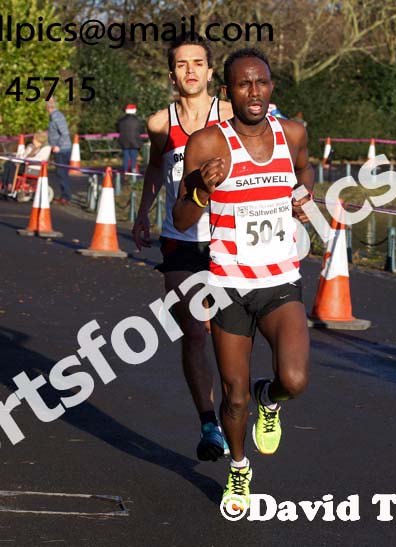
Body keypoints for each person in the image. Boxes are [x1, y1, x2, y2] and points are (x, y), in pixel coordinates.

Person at [172, 48, 314, 507]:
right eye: (243, 84)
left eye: (262, 82)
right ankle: (239, 469)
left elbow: (304, 175)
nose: (254, 92)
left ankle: (268, 398)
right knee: (234, 398)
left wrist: (303, 200)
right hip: (228, 286)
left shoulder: (293, 134)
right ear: (227, 92)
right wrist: (201, 188)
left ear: (272, 87)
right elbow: (181, 215)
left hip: (280, 281)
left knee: (294, 379)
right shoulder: (207, 144)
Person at [132, 36, 234, 462]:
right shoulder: (161, 123)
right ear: (172, 75)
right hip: (181, 238)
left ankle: (240, 407)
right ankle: (209, 424)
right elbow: (157, 165)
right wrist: (143, 212)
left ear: (210, 71)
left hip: (229, 240)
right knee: (192, 331)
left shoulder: (230, 115)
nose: (190, 70)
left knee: (229, 335)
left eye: (197, 63)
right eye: (181, 64)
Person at [0, 131, 51, 196]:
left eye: (34, 139)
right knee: (8, 163)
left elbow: (39, 159)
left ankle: (10, 186)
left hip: (34, 167)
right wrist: (18, 157)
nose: (32, 140)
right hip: (24, 164)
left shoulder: (46, 148)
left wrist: (26, 160)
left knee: (13, 166)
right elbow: (23, 156)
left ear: (39, 139)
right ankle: (4, 185)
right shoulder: (31, 146)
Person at [45, 97, 72, 204]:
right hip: (60, 149)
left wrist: (58, 146)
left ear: (48, 107)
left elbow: (64, 133)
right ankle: (64, 195)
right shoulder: (54, 116)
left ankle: (66, 197)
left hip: (62, 150)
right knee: (62, 173)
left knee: (62, 173)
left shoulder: (57, 117)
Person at [117, 104, 144, 173]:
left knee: (125, 157)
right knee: (133, 158)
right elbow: (141, 130)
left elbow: (118, 129)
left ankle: (125, 171)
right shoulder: (137, 121)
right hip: (135, 141)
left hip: (124, 141)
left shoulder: (121, 121)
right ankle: (133, 170)